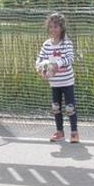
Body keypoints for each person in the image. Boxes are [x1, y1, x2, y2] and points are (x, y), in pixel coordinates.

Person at [36, 12, 79, 143]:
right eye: (50, 27)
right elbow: (40, 59)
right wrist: (40, 68)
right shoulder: (46, 44)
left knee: (70, 108)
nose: (53, 29)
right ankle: (59, 132)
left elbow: (70, 59)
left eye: (56, 27)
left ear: (61, 28)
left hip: (67, 82)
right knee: (56, 108)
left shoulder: (67, 43)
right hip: (54, 83)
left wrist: (56, 64)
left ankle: (74, 132)